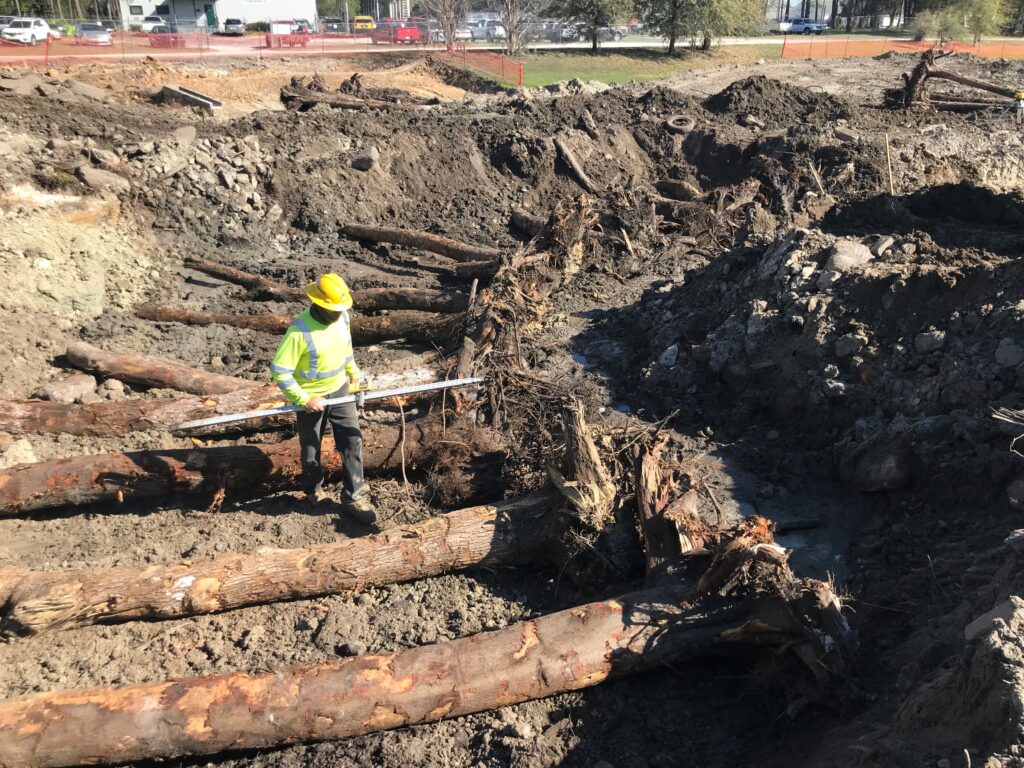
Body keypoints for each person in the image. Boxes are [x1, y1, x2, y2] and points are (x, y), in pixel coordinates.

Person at [270, 273, 377, 525]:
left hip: (340, 390)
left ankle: (354, 495)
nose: (339, 313)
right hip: (311, 397)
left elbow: (345, 349)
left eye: (342, 309)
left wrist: (353, 374)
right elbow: (279, 369)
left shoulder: (343, 318)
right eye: (334, 309)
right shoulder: (300, 330)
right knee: (311, 448)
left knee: (352, 439)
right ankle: (314, 489)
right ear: (319, 304)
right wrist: (303, 397)